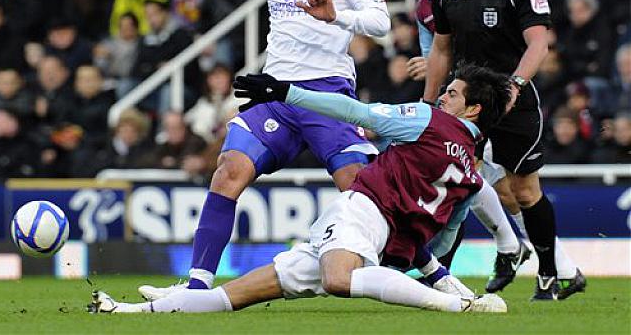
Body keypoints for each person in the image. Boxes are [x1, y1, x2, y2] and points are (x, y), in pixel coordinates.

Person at [139, 0, 391, 298]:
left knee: (363, 190)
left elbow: (380, 22)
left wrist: (336, 17)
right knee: (228, 170)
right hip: (275, 94)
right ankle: (197, 287)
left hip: (325, 95)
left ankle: (434, 273)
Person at [91, 64, 511, 314]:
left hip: (360, 213)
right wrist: (433, 271)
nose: (442, 97)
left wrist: (287, 93)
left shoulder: (427, 119)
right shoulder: (471, 177)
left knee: (339, 280)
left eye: (452, 93)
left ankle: (456, 306)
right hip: (377, 235)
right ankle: (125, 311)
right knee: (232, 297)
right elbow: (445, 239)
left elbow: (354, 111)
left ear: (473, 109)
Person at [422, 0, 585, 300]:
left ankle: (549, 274)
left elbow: (538, 43)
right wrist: (428, 101)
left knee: (524, 191)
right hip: (467, 104)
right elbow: (441, 49)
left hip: (514, 99)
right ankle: (446, 273)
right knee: (462, 182)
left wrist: (514, 84)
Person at [407, 0, 532, 291]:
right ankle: (530, 251)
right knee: (475, 183)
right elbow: (436, 53)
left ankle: (524, 248)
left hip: (494, 97)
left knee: (484, 182)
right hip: (455, 101)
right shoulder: (426, 3)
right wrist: (429, 88)